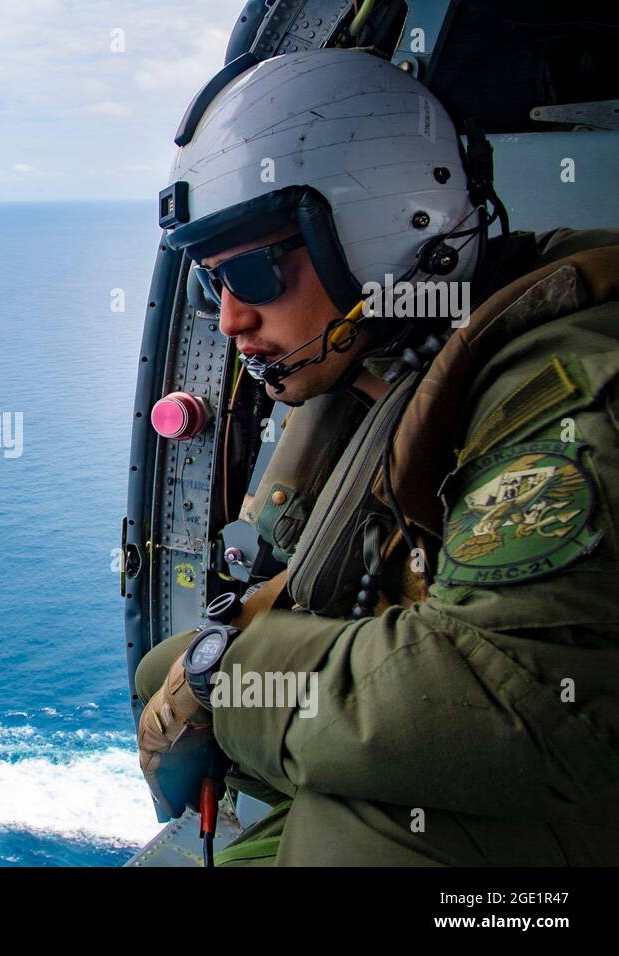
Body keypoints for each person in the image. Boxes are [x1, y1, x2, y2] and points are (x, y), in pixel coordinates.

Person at [135, 47, 619, 865]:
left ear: (392, 227)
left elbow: (514, 700)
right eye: (211, 285)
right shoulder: (383, 368)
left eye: (253, 271)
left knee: (361, 846)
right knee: (162, 674)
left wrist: (228, 674)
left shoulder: (569, 387)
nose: (230, 323)